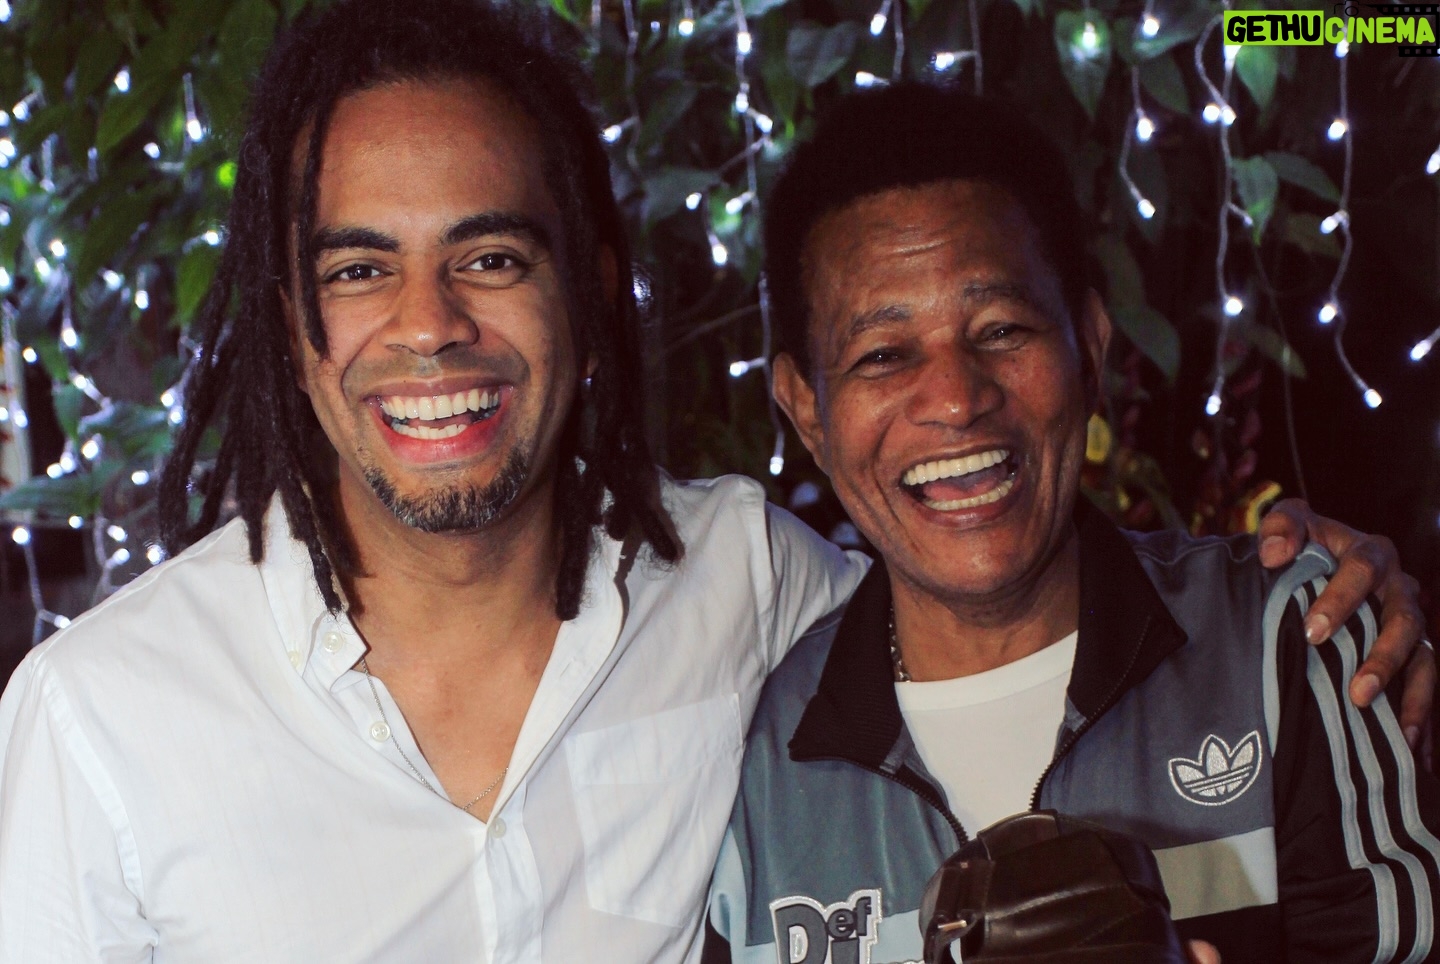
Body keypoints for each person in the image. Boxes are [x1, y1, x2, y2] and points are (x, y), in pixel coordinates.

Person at [0, 5, 1426, 962]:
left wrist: (1319, 584)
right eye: (361, 268)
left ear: (588, 295)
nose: (429, 326)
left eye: (490, 256)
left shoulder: (743, 584)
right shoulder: (102, 722)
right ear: (289, 319)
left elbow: (975, 559)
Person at [705, 83, 1440, 964]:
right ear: (806, 410)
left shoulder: (1289, 641)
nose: (956, 399)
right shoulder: (745, 764)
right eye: (884, 354)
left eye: (1001, 329)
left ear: (1089, 347)